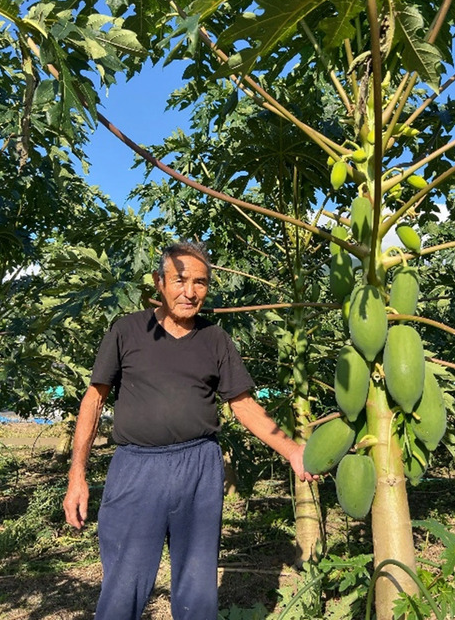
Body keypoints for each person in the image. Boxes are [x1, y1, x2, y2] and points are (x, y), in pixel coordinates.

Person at [63, 239, 315, 620]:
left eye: (200, 283)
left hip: (199, 468)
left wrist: (293, 451)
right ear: (159, 282)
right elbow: (93, 400)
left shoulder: (215, 339)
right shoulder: (127, 331)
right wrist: (77, 475)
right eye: (180, 280)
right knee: (123, 586)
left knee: (197, 589)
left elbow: (244, 405)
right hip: (136, 469)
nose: (190, 291)